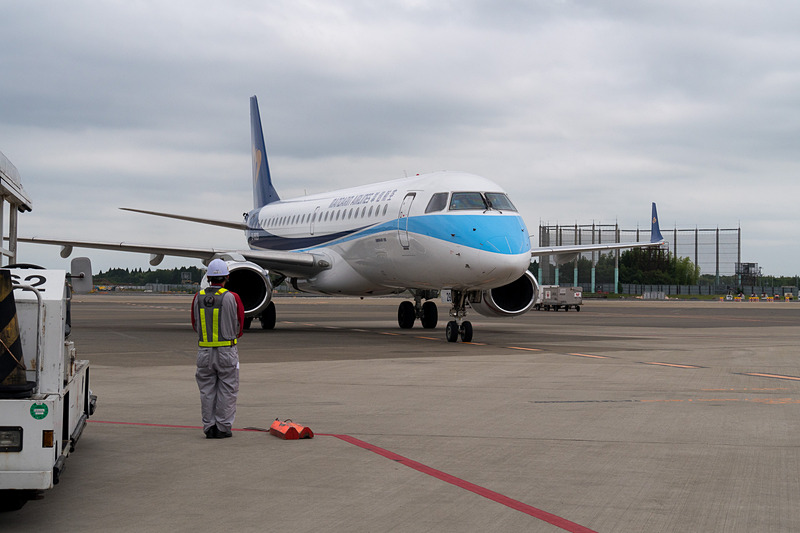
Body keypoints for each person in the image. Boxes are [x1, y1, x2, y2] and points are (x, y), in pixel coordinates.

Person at [191, 259, 244, 439]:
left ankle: (209, 427)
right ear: (226, 277)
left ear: (208, 277)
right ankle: (223, 427)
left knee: (206, 390)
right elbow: (241, 325)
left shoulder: (197, 297)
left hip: (204, 352)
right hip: (226, 351)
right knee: (228, 389)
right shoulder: (232, 297)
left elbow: (194, 324)